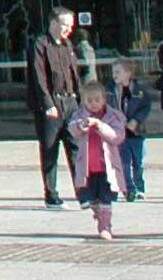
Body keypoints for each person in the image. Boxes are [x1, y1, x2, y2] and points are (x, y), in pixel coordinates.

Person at [25, 10, 82, 209]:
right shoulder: (40, 45)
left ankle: (83, 192)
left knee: (76, 147)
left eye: (71, 25)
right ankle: (51, 194)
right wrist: (47, 104)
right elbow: (39, 77)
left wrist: (81, 103)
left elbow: (75, 76)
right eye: (65, 24)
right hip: (51, 106)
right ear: (53, 23)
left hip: (71, 103)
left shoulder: (68, 45)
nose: (69, 29)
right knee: (50, 150)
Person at [64, 78, 128, 241]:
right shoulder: (79, 116)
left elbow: (117, 137)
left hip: (107, 167)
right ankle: (98, 215)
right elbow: (72, 130)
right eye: (89, 101)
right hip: (88, 167)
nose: (93, 104)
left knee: (106, 197)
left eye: (97, 100)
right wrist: (81, 125)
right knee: (91, 198)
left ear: (104, 100)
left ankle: (105, 226)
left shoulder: (114, 116)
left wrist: (100, 126)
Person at [113, 61, 153, 201]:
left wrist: (136, 120)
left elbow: (146, 107)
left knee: (138, 162)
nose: (114, 75)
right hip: (120, 134)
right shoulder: (111, 91)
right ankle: (130, 189)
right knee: (124, 162)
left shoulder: (140, 91)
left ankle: (139, 187)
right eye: (114, 72)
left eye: (118, 72)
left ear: (128, 74)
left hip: (136, 133)